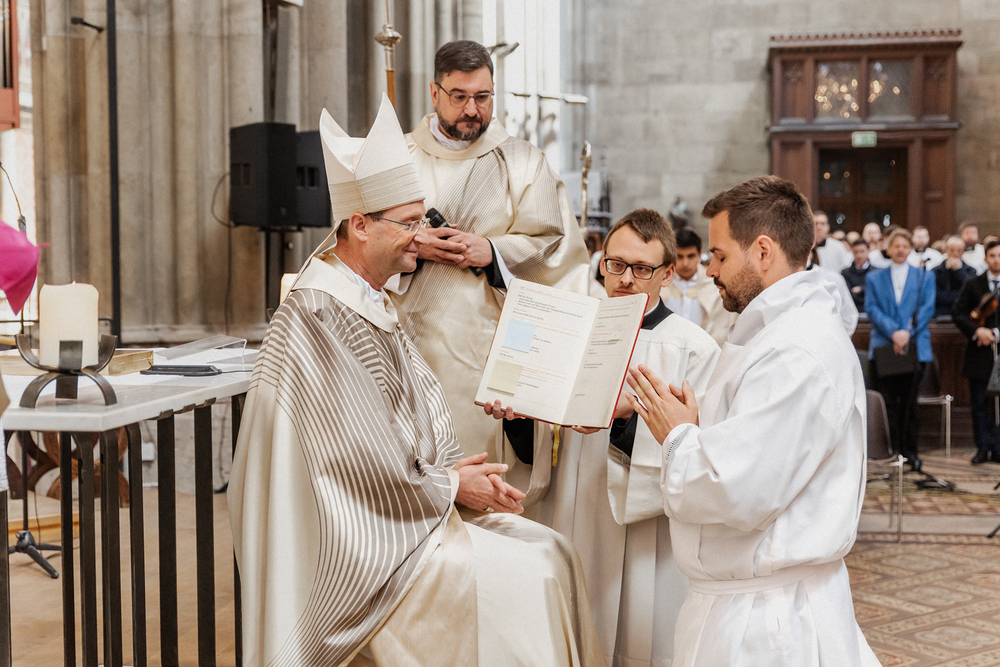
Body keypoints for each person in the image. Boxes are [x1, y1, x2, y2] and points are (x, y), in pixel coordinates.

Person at [228, 96, 603, 667]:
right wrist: (450, 487)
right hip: (353, 552)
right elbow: (345, 462)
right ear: (359, 225)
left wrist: (454, 474)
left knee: (554, 550)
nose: (419, 237)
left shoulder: (367, 300)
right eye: (407, 224)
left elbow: (390, 430)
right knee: (534, 573)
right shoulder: (319, 312)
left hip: (395, 515)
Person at [618, 176, 877, 666]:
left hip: (769, 624)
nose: (710, 270)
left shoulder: (796, 349)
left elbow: (738, 488)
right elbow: (750, 436)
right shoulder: (776, 332)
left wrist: (677, 433)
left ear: (762, 251)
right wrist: (676, 418)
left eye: (719, 255)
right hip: (748, 601)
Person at [390, 40, 590, 480]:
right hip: (405, 351)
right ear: (434, 92)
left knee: (490, 483)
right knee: (412, 478)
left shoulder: (523, 162)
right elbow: (355, 240)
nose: (471, 110)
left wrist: (494, 251)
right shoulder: (397, 159)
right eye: (459, 96)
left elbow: (559, 249)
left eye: (482, 97)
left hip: (491, 356)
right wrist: (413, 244)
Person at [527, 210, 719, 666]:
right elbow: (541, 432)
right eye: (615, 265)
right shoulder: (571, 332)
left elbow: (698, 451)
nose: (626, 279)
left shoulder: (692, 347)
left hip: (644, 532)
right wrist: (519, 415)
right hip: (571, 504)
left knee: (639, 639)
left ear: (667, 274)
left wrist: (627, 419)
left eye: (641, 269)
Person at [865, 228, 936, 471]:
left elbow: (926, 308)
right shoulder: (874, 278)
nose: (901, 250)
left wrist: (906, 333)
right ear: (888, 248)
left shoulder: (924, 276)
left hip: (914, 346)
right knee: (887, 403)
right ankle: (890, 449)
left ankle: (909, 452)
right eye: (896, 245)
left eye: (905, 246)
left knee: (909, 403)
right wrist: (894, 332)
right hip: (885, 346)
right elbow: (872, 309)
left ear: (911, 249)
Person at [952, 239, 1000, 464]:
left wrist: (996, 333)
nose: (997, 260)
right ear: (985, 258)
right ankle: (982, 447)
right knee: (979, 403)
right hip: (979, 353)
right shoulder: (973, 283)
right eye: (993, 256)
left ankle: (998, 447)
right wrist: (977, 331)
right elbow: (958, 313)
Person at [662, 227, 738, 346]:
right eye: (680, 256)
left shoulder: (714, 285)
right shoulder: (660, 285)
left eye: (690, 256)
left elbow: (721, 327)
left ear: (699, 254)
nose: (685, 263)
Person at [933, 236, 977, 318]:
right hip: (940, 313)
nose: (955, 254)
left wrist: (959, 271)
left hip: (964, 313)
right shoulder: (935, 271)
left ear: (963, 252)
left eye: (959, 251)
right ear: (946, 251)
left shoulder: (971, 271)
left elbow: (971, 293)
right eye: (952, 250)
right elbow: (937, 295)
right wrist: (959, 296)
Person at [842, 238, 871, 313]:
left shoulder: (876, 272)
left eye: (862, 251)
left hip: (871, 311)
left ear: (868, 251)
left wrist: (861, 289)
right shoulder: (845, 273)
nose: (859, 255)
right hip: (851, 311)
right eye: (856, 252)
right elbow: (846, 295)